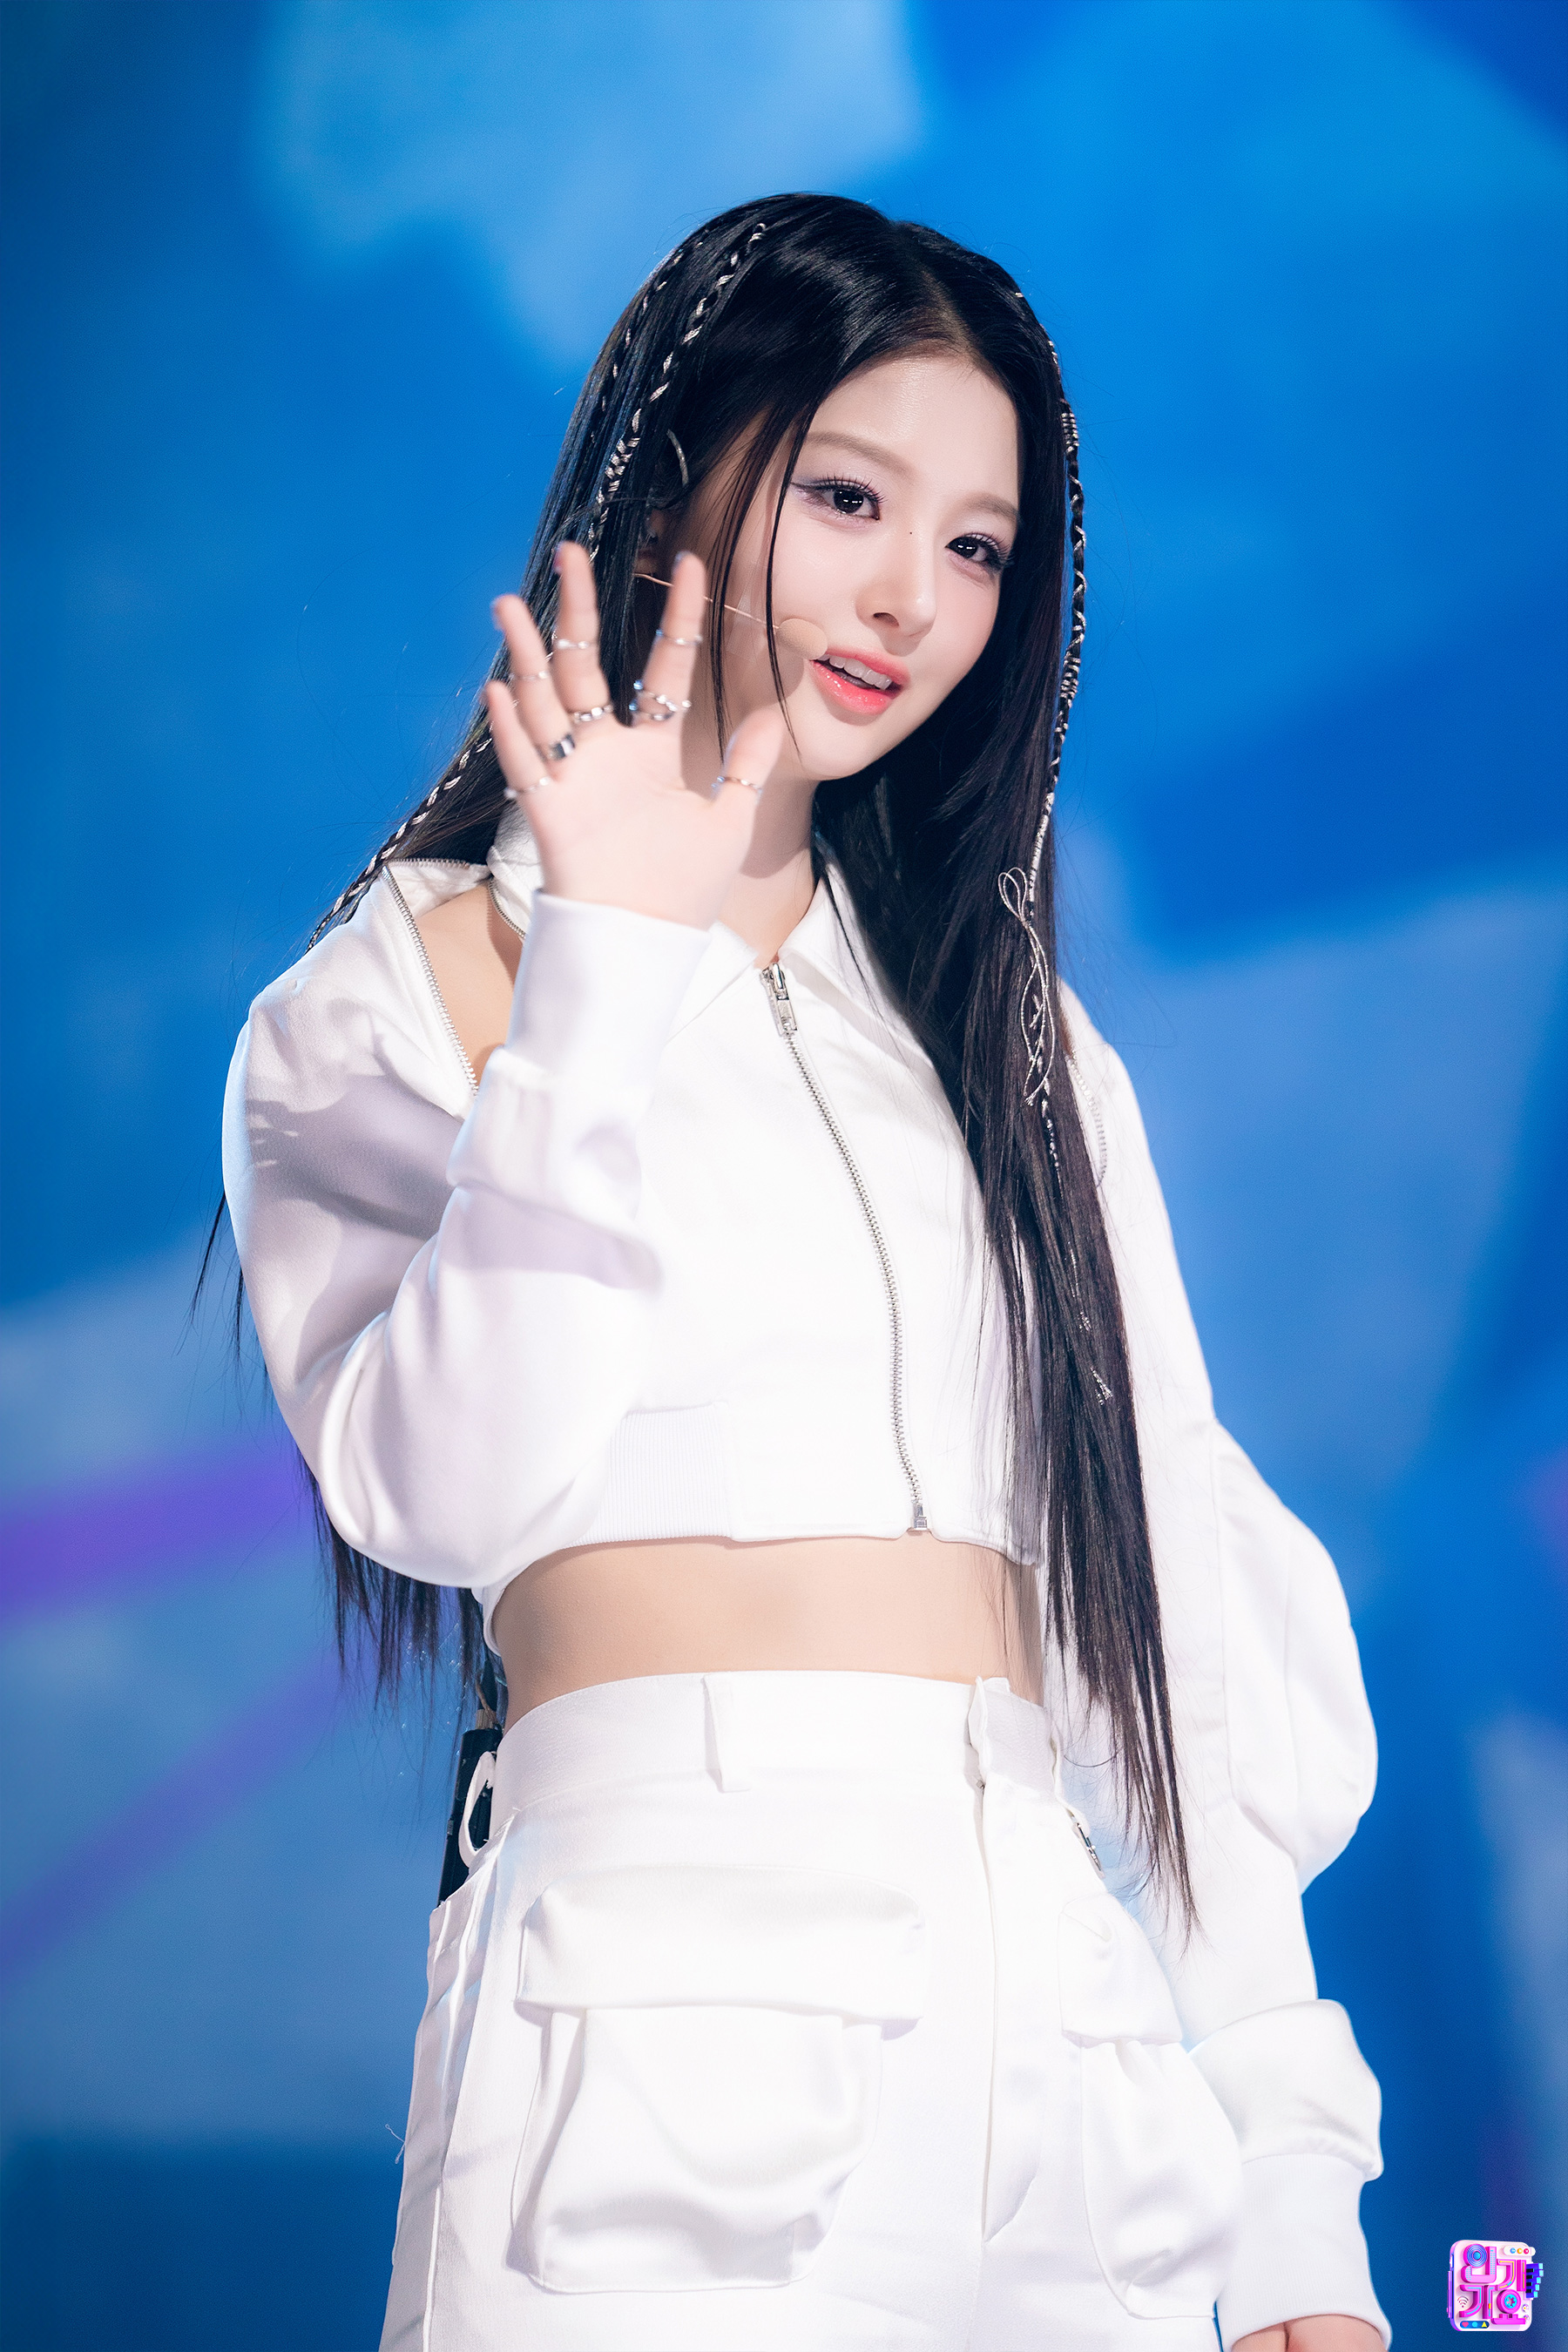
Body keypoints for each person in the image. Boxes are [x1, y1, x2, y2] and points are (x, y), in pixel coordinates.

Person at [222, 194, 1389, 2351]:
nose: (911, 598)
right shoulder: (394, 998)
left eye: (977, 544)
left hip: (1071, 2107)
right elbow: (440, 1490)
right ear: (679, 472)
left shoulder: (1017, 1041)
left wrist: (1296, 2193)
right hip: (654, 2100)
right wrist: (604, 976)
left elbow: (1170, 1625)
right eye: (850, 497)